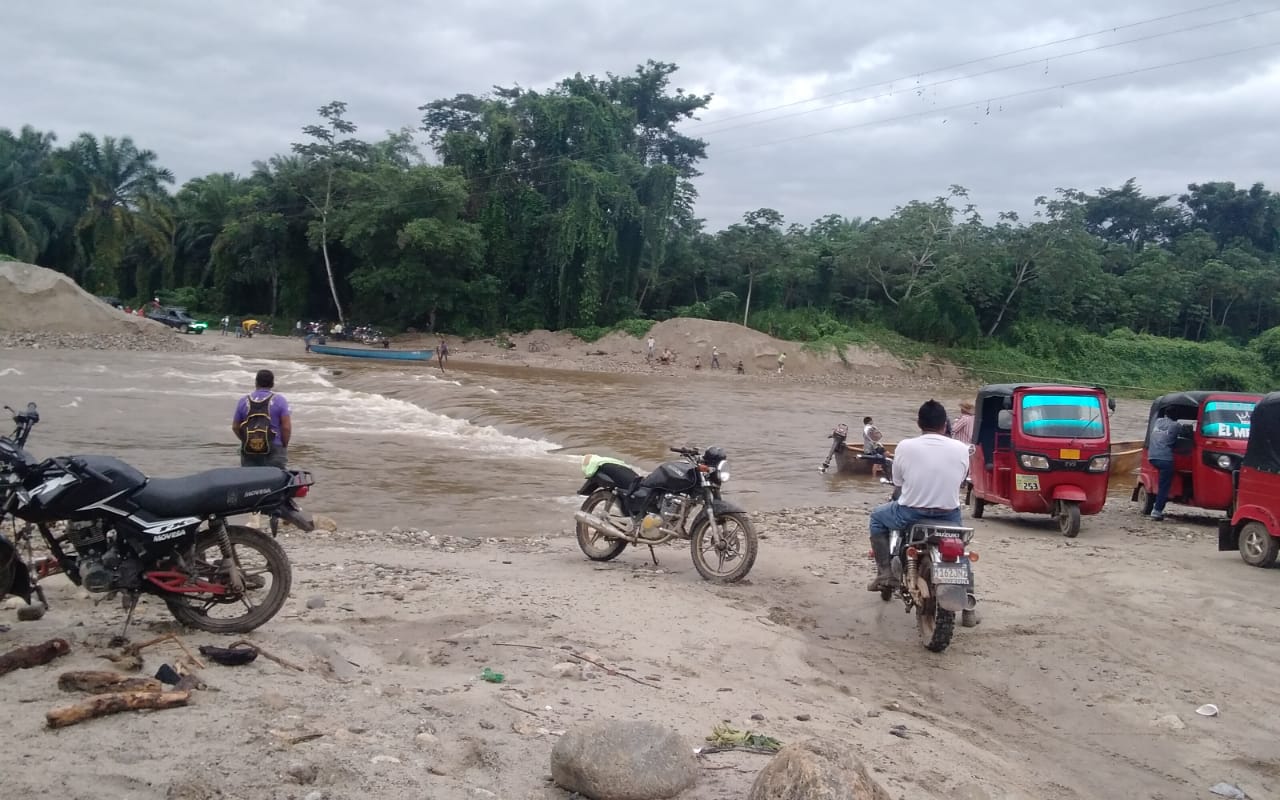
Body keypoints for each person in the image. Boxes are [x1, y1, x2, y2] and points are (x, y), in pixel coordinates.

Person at [867, 400, 970, 592]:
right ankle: (968, 598)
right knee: (959, 546)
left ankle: (885, 574)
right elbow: (961, 479)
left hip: (910, 513)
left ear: (918, 423)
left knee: (876, 518)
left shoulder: (905, 446)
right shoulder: (961, 448)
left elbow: (898, 482)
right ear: (945, 424)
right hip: (948, 514)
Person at [232, 369, 291, 468]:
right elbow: (286, 428)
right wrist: (283, 445)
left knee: (250, 480)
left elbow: (235, 427)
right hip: (274, 447)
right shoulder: (280, 400)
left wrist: (245, 440)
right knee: (275, 479)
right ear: (272, 383)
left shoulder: (243, 401)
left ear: (256, 382)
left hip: (249, 448)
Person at [1148, 408, 1181, 521]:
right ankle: (1157, 510)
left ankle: (1155, 503)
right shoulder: (1176, 425)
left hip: (1152, 457)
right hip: (1165, 459)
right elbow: (1183, 436)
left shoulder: (1157, 421)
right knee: (1164, 487)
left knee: (1162, 482)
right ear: (1176, 416)